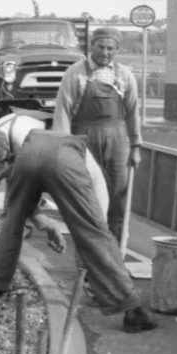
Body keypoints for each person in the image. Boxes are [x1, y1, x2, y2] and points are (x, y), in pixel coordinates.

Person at [0, 129, 157, 333]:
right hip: (65, 162)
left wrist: (45, 224)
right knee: (95, 235)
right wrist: (69, 233)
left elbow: (25, 193)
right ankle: (131, 309)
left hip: (32, 160)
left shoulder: (20, 148)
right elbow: (95, 227)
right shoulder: (78, 160)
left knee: (11, 223)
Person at [52, 26, 142, 242]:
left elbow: (132, 112)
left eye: (110, 48)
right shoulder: (75, 73)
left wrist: (136, 146)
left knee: (119, 195)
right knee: (86, 194)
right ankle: (88, 254)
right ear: (91, 46)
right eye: (100, 47)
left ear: (117, 49)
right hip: (85, 139)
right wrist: (63, 148)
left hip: (118, 141)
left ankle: (116, 252)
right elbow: (63, 111)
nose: (105, 52)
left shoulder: (125, 75)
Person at [0, 113, 67, 253]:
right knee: (16, 189)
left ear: (6, 149)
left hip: (45, 141)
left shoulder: (22, 139)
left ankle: (25, 223)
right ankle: (14, 221)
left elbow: (18, 168)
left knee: (22, 191)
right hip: (18, 144)